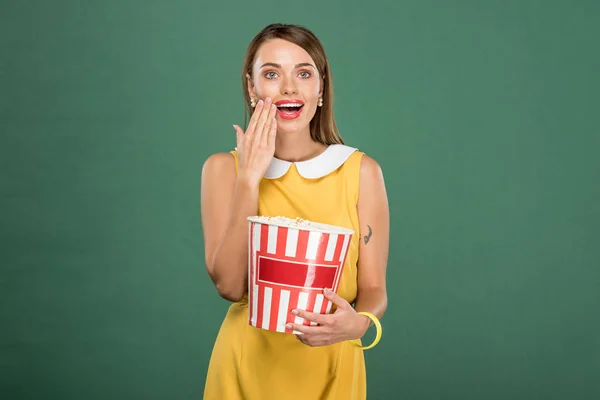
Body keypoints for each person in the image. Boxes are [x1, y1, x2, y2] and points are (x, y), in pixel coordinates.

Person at [200, 23, 389, 400]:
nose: (289, 88)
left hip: (332, 368)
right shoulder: (223, 169)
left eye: (303, 73)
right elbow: (229, 286)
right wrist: (250, 179)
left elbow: (372, 288)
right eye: (272, 74)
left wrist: (361, 324)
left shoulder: (361, 172)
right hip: (244, 368)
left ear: (320, 88)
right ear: (252, 88)